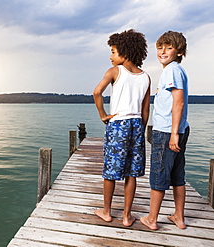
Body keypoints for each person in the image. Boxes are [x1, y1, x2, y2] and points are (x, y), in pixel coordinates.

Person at [93, 29, 151, 227]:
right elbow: (145, 110)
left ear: (124, 53)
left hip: (118, 124)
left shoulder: (115, 72)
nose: (110, 56)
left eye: (113, 52)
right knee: (131, 172)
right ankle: (127, 216)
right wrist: (140, 130)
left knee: (111, 168)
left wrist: (103, 115)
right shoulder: (146, 77)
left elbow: (97, 92)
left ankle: (107, 212)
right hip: (136, 125)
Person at [141, 31, 189, 230]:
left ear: (179, 52)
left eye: (169, 48)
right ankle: (178, 216)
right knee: (177, 174)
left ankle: (152, 219)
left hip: (168, 131)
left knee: (159, 174)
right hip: (178, 129)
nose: (163, 51)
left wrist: (174, 133)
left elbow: (178, 102)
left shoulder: (171, 71)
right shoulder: (178, 70)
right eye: (160, 47)